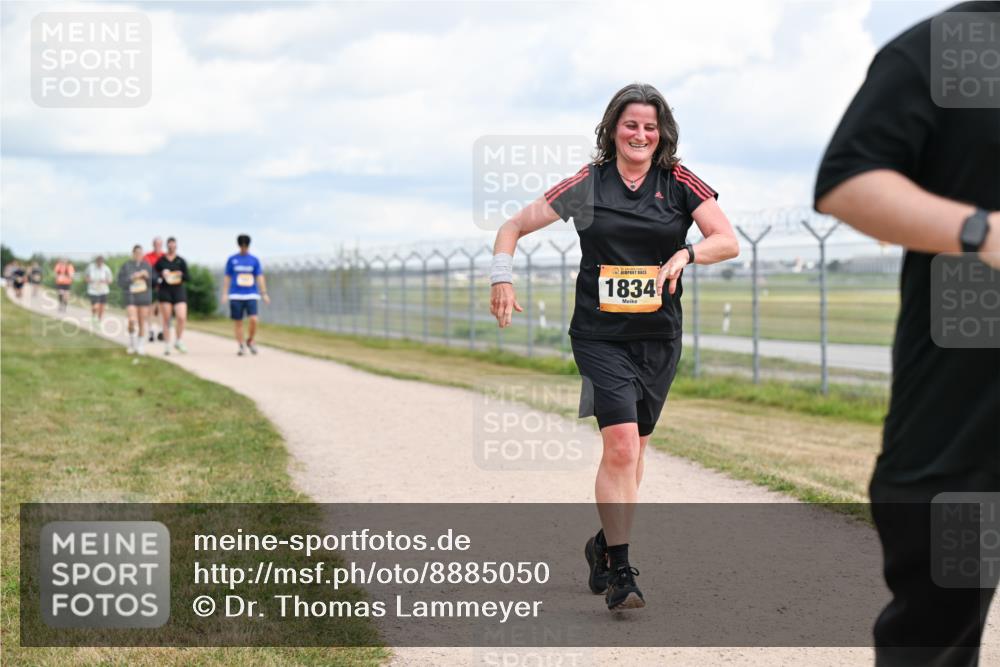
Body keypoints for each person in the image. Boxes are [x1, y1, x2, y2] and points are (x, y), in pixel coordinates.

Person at [489, 83, 739, 611]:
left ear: (662, 133)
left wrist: (686, 257)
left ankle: (603, 544)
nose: (640, 135)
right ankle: (622, 571)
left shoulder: (678, 183)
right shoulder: (589, 183)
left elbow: (727, 239)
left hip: (658, 338)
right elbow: (513, 225)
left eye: (650, 127)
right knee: (621, 444)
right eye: (631, 125)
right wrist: (502, 277)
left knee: (637, 449)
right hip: (600, 336)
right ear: (612, 129)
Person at [814, 3, 999, 665]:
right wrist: (981, 231)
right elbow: (847, 180)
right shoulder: (947, 46)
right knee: (935, 635)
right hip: (966, 410)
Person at [221, 234, 270, 356]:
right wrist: (225, 293)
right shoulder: (232, 260)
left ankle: (250, 340)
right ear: (239, 246)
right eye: (242, 246)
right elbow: (227, 277)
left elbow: (259, 276)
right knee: (238, 322)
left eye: (246, 246)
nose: (244, 248)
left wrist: (264, 293)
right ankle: (241, 345)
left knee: (253, 319)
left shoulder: (254, 260)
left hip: (251, 294)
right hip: (236, 294)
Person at [154, 237, 190, 355]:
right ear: (167, 246)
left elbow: (188, 277)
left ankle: (178, 340)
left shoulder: (180, 261)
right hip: (165, 291)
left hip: (178, 290)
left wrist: (181, 274)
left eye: (173, 246)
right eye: (169, 246)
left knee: (181, 316)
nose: (171, 248)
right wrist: (161, 274)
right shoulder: (161, 261)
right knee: (167, 319)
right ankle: (167, 344)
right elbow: (153, 276)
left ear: (176, 246)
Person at [118, 244, 153, 355]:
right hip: (130, 296)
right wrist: (132, 277)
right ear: (133, 254)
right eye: (136, 253)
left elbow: (154, 282)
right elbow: (120, 282)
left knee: (142, 322)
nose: (139, 255)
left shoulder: (147, 266)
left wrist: (147, 276)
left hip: (144, 297)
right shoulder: (126, 266)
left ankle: (140, 345)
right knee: (132, 320)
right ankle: (132, 343)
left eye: (140, 253)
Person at [144, 237, 166, 342]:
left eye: (160, 244)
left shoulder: (164, 256)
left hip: (162, 287)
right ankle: (151, 331)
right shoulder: (147, 257)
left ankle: (161, 331)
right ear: (153, 245)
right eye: (156, 244)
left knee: (161, 309)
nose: (158, 246)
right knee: (151, 310)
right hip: (150, 286)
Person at [84, 255, 113, 323]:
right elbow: (86, 276)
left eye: (101, 262)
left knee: (102, 306)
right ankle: (94, 316)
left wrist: (104, 281)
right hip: (93, 290)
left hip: (103, 290)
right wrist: (89, 280)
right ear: (96, 262)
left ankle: (99, 320)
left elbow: (110, 280)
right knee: (95, 306)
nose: (100, 263)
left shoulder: (106, 269)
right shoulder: (90, 267)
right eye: (98, 262)